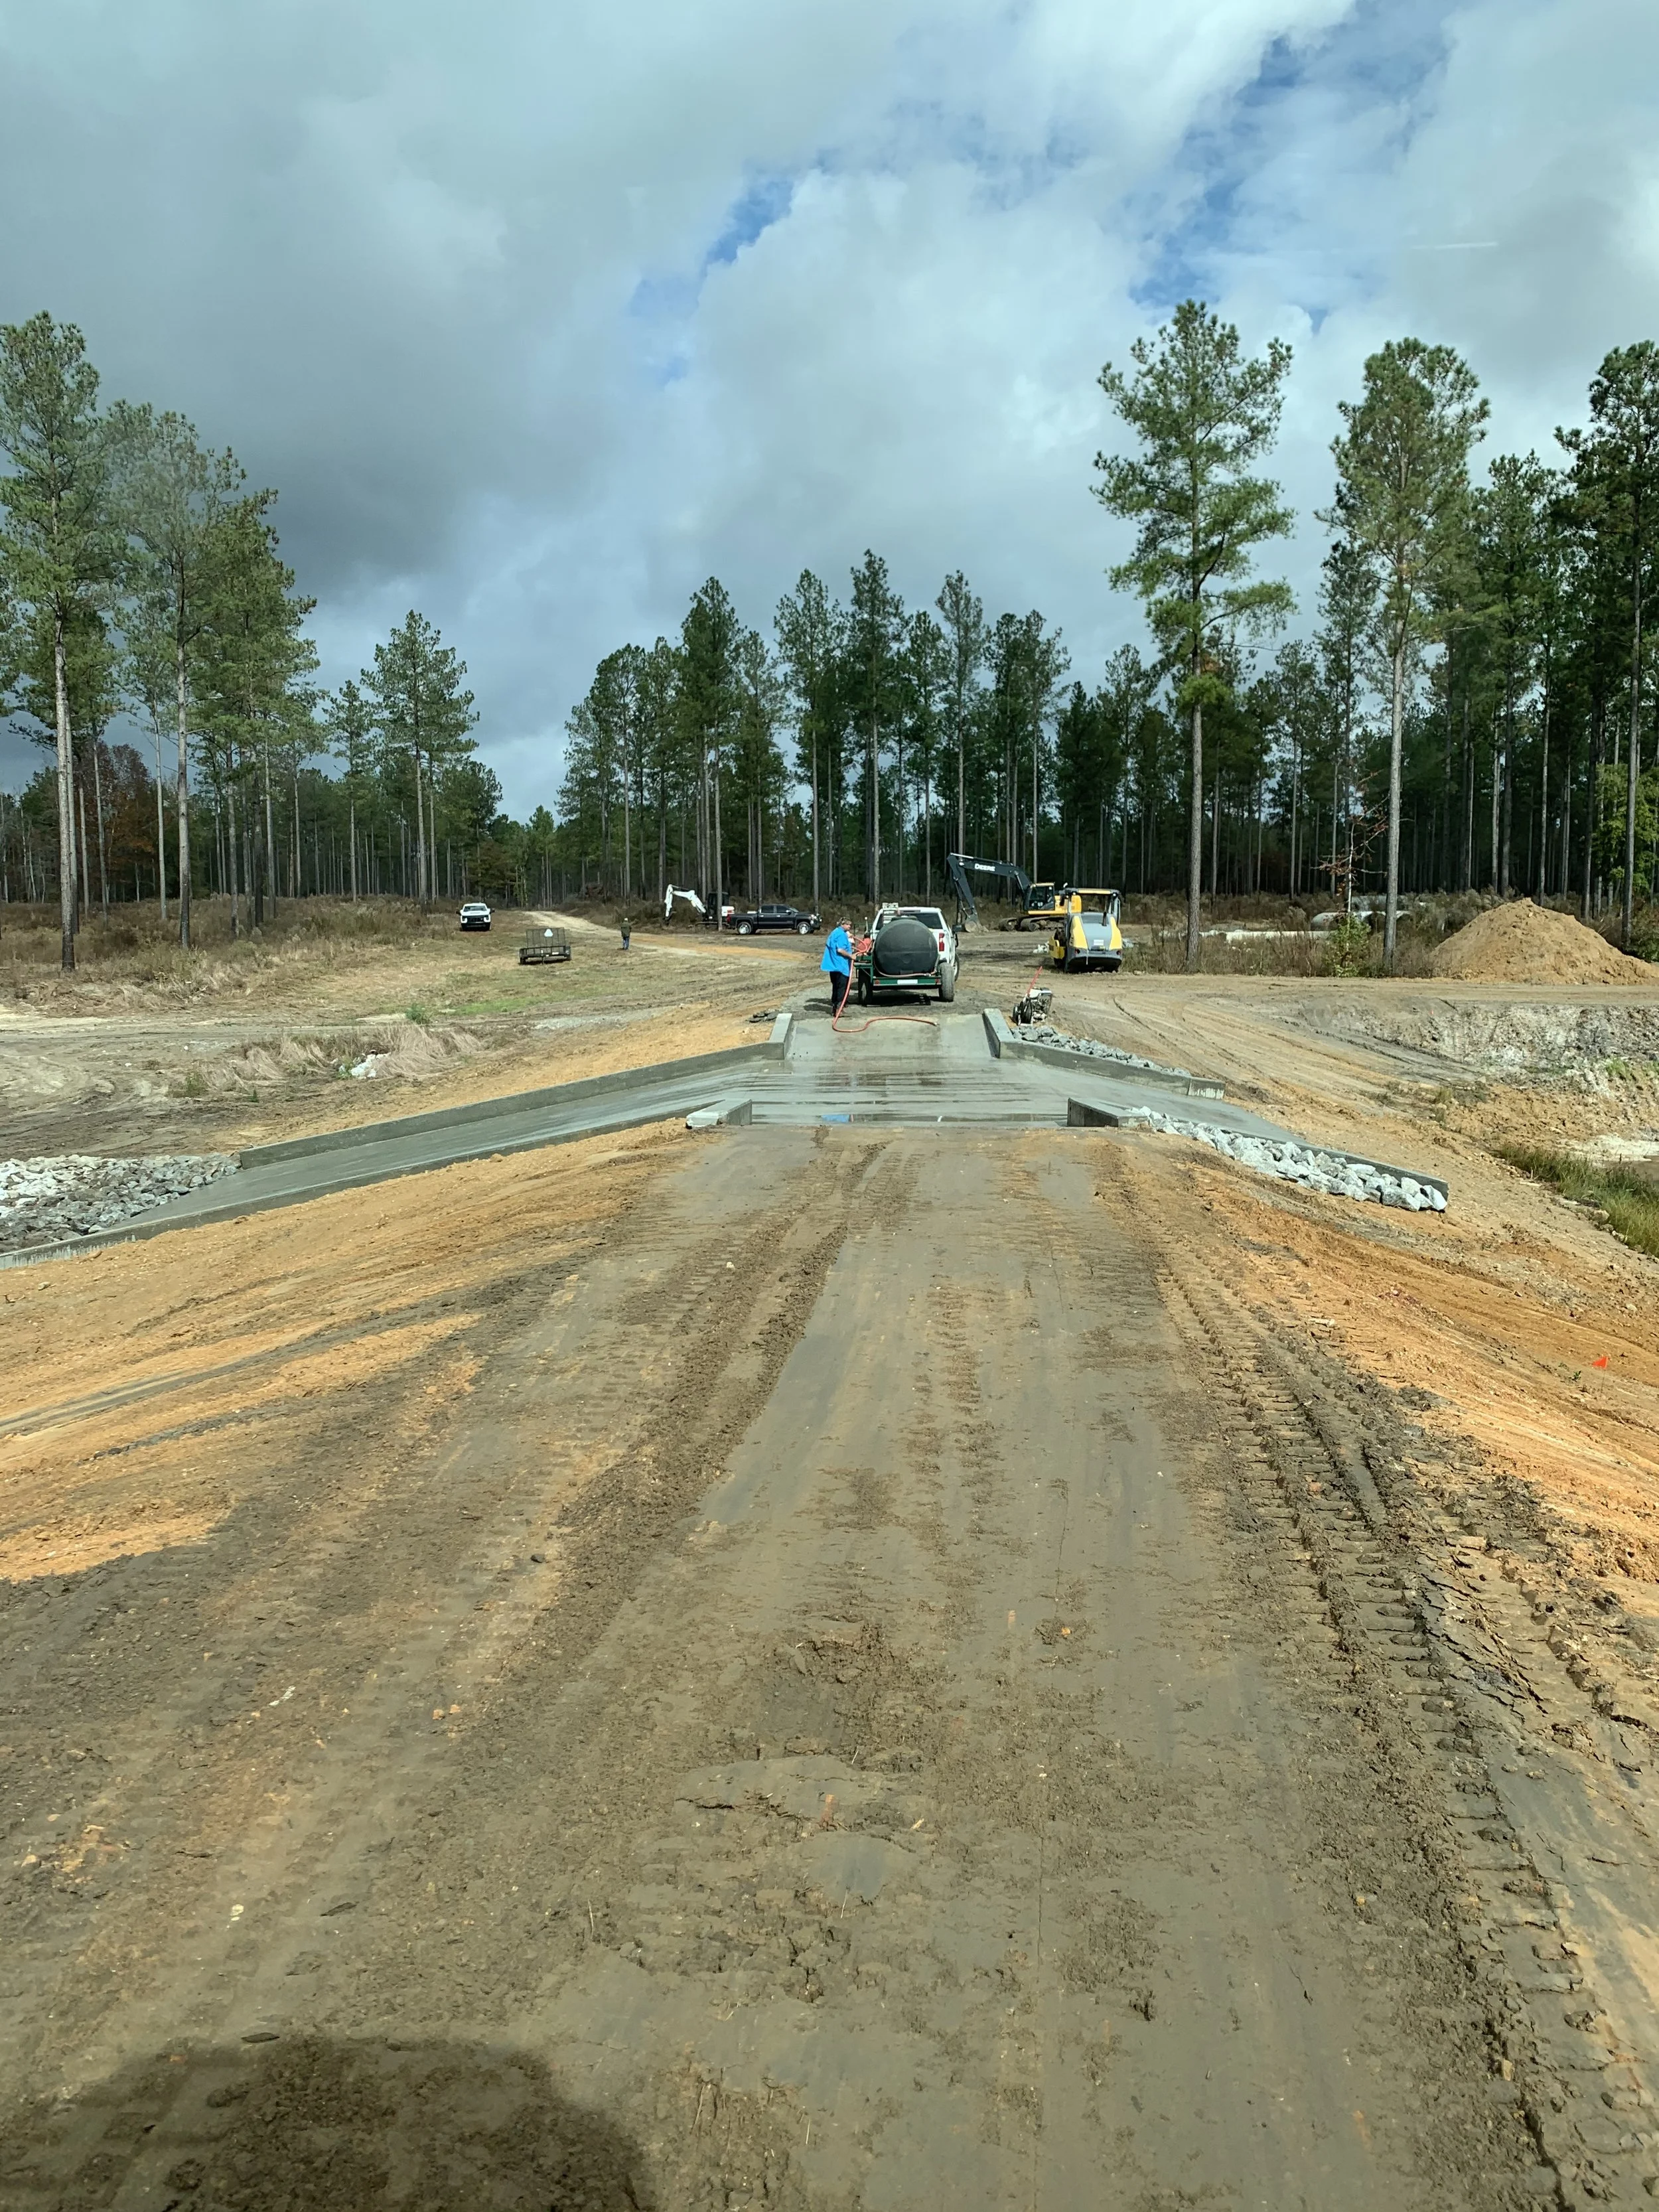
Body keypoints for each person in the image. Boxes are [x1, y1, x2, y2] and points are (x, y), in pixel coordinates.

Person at [821, 916, 853, 1016]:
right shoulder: (841, 935)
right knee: (841, 988)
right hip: (841, 966)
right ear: (842, 924)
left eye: (850, 925)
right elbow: (840, 950)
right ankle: (839, 1010)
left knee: (835, 987)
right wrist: (851, 956)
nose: (849, 927)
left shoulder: (834, 932)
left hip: (833, 965)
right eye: (848, 925)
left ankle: (835, 1008)